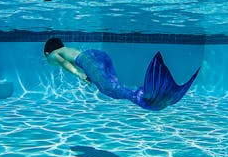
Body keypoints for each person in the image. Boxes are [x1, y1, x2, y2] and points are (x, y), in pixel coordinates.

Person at [44, 37, 199, 111]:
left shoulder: (52, 54)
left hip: (88, 61)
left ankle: (142, 94)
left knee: (109, 89)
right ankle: (142, 92)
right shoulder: (66, 49)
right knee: (113, 87)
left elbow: (63, 63)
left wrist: (81, 75)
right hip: (98, 56)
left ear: (47, 52)